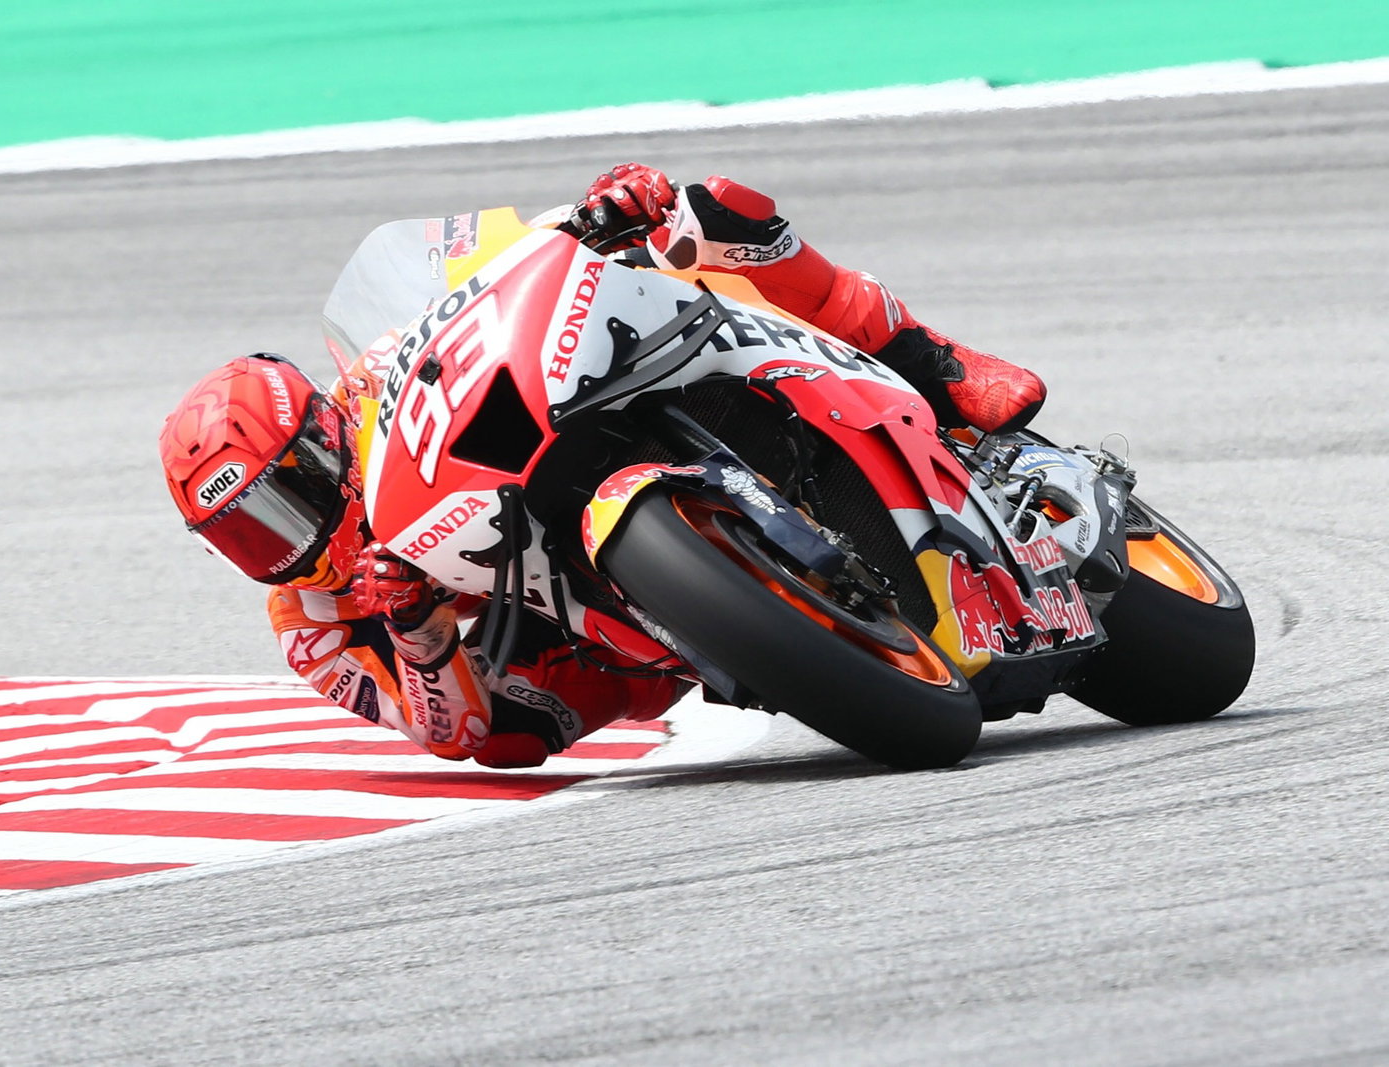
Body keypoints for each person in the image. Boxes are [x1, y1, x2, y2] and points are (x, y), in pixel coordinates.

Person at [158, 164, 1046, 768]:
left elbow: (493, 269)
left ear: (320, 435)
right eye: (248, 536)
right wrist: (419, 633)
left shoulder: (375, 372)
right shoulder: (313, 624)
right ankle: (706, 614)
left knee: (704, 215)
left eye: (287, 499)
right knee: (509, 734)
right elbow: (450, 734)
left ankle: (936, 362)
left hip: (555, 433)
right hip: (556, 619)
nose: (289, 540)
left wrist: (594, 216)